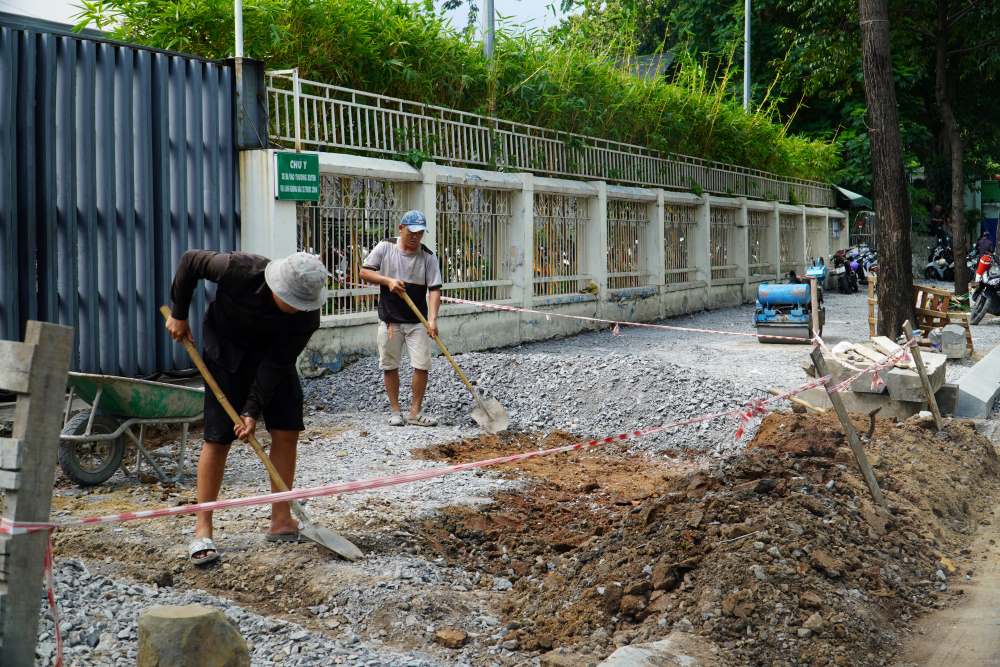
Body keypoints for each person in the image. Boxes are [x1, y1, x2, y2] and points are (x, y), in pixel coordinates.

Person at [165, 250, 327, 565]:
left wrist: (252, 409)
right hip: (226, 355)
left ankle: (281, 520)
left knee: (287, 429)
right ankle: (203, 527)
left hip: (272, 362)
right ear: (278, 287)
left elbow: (279, 361)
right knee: (218, 437)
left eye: (300, 304)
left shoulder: (307, 315)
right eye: (291, 301)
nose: (296, 309)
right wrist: (179, 312)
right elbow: (189, 261)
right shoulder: (238, 269)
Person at [359, 210, 443, 427]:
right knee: (390, 365)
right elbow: (364, 272)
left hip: (417, 322)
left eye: (420, 233)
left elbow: (434, 290)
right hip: (390, 320)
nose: (416, 237)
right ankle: (395, 411)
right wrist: (388, 281)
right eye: (412, 232)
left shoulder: (428, 257)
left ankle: (415, 412)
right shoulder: (385, 247)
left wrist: (432, 319)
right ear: (401, 228)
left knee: (422, 365)